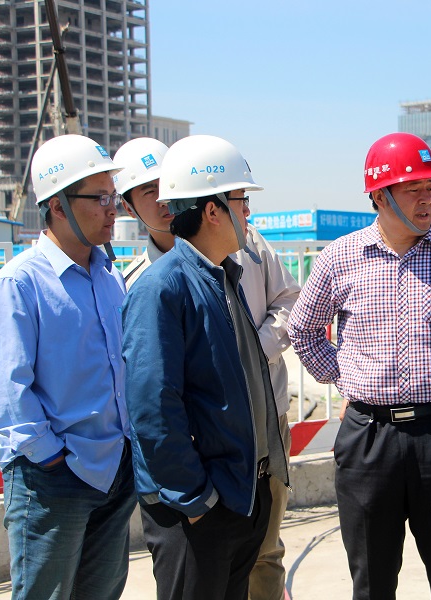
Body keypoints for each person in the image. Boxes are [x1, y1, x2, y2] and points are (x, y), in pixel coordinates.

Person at [288, 132, 431, 600]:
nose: (428, 198)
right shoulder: (340, 257)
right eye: (414, 189)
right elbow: (303, 329)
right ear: (379, 195)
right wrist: (343, 378)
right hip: (368, 440)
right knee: (371, 581)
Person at [113, 134, 302, 598]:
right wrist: (196, 501)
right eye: (241, 201)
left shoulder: (224, 275)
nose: (249, 213)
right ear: (213, 211)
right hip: (195, 512)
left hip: (235, 497)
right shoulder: (161, 289)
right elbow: (154, 409)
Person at [0, 134, 135, 599]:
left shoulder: (109, 276)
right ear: (58, 206)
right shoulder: (19, 283)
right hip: (53, 478)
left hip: (113, 470)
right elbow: (9, 390)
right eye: (100, 198)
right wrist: (51, 458)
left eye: (113, 197)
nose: (113, 210)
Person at [238, 225, 301, 600]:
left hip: (266, 418)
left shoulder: (250, 242)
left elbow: (290, 300)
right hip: (200, 430)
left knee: (265, 548)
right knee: (210, 554)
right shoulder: (147, 274)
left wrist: (251, 354)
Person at [111, 137, 174, 287]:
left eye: (168, 184)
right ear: (129, 208)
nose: (165, 199)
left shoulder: (226, 257)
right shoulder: (133, 285)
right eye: (150, 192)